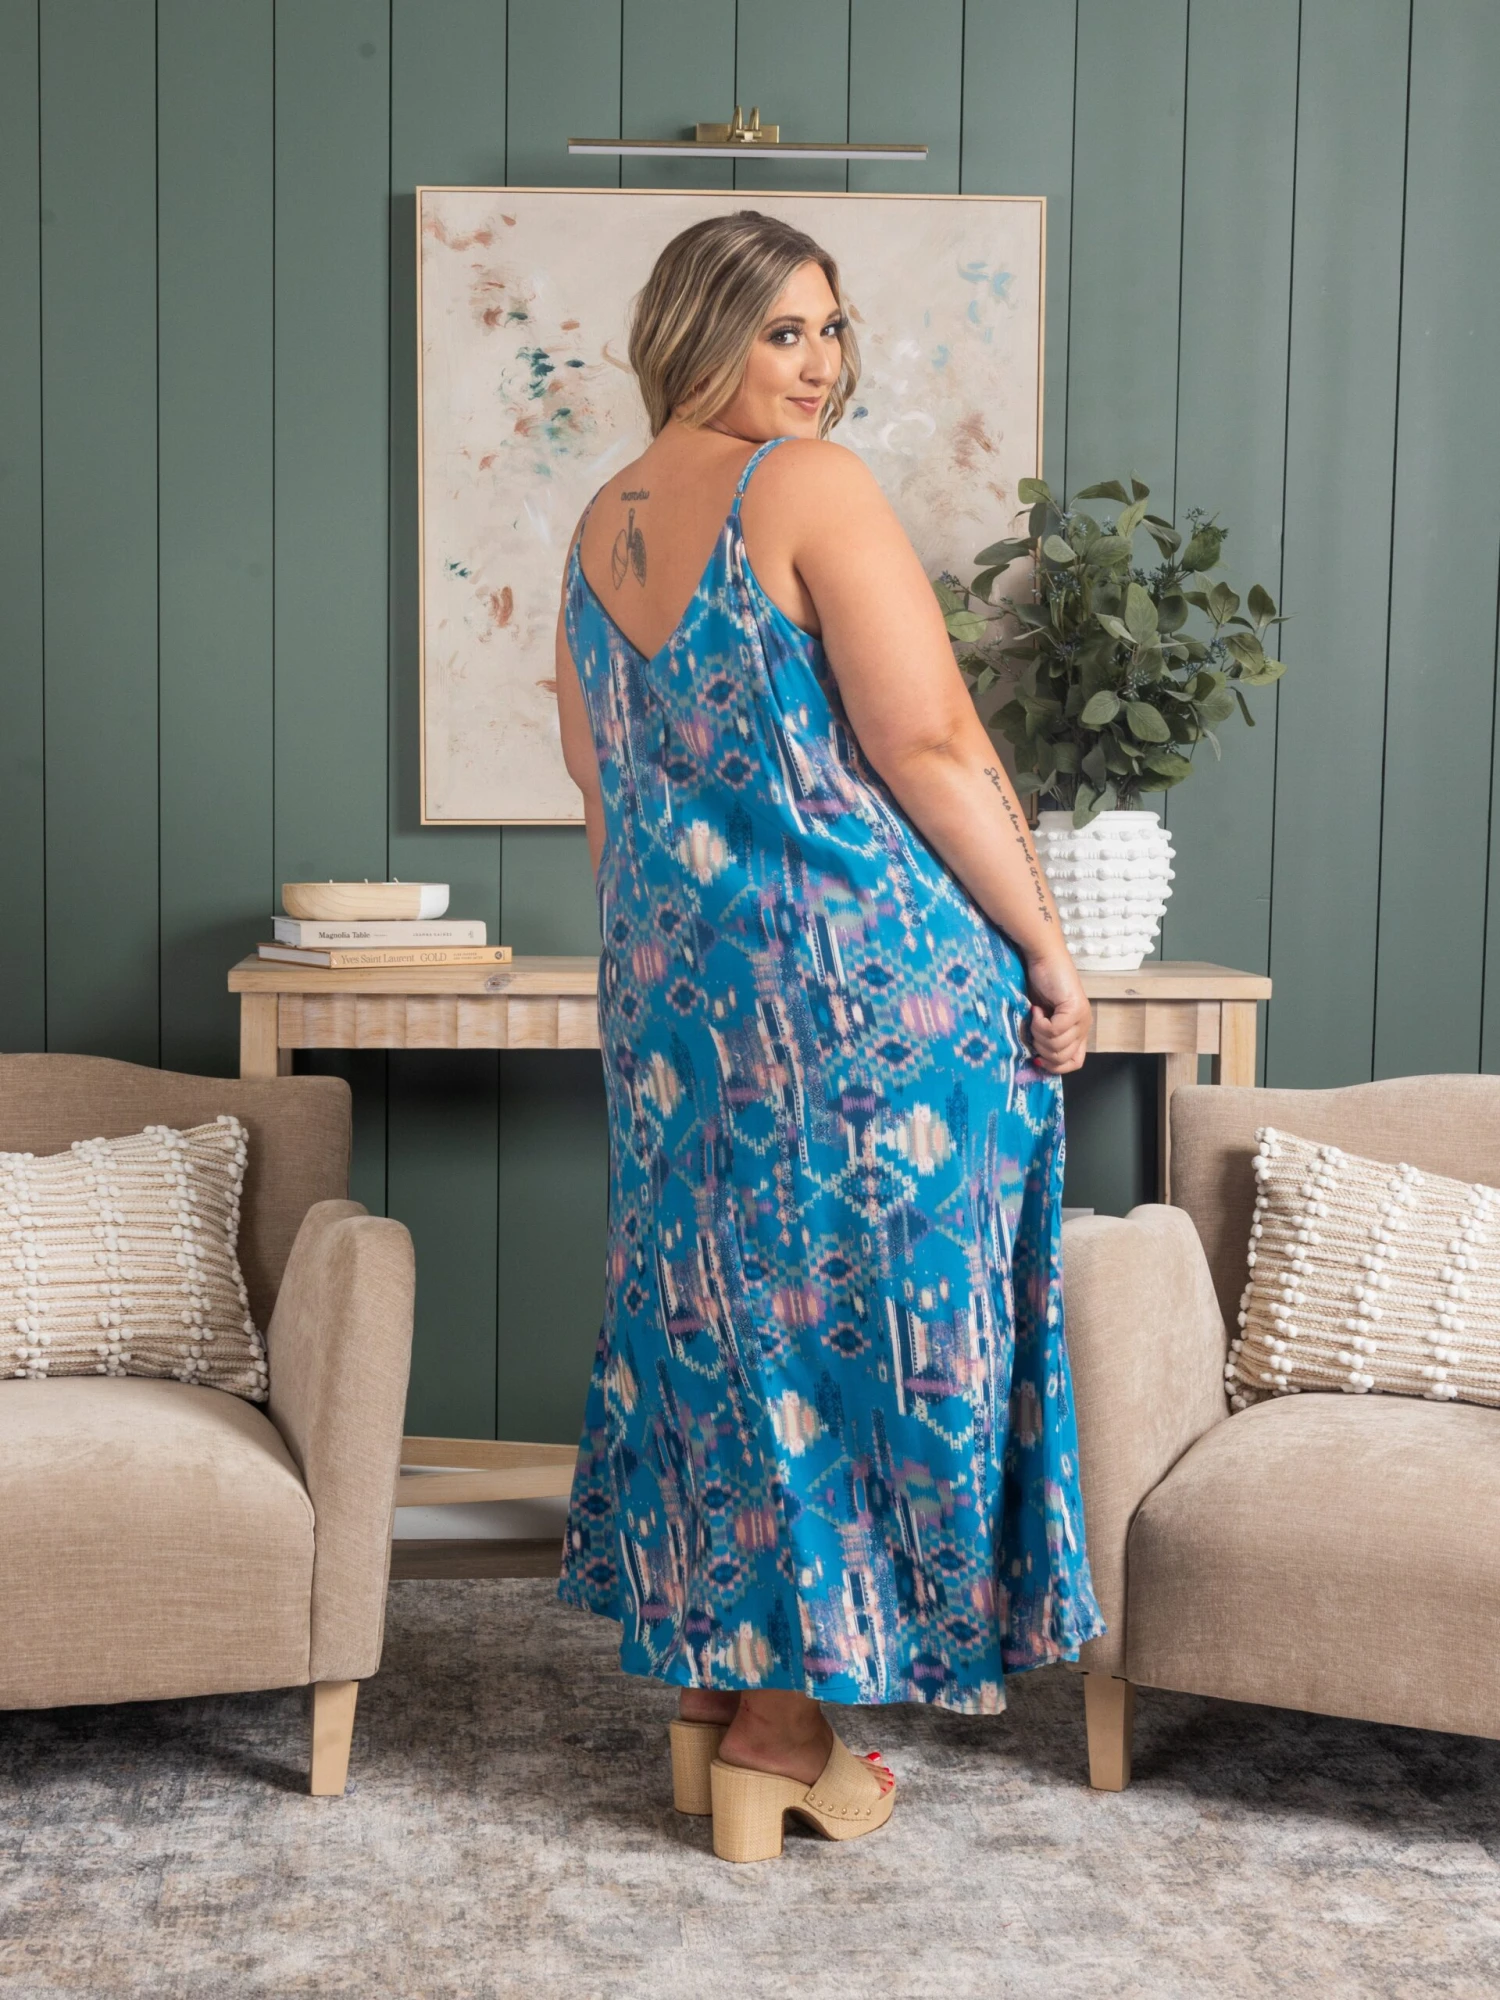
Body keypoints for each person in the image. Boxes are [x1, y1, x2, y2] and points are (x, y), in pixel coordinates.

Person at [552, 209, 1104, 1864]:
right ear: (696, 330)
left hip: (679, 1006)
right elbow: (928, 739)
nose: (820, 365)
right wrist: (1047, 945)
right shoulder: (807, 487)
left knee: (723, 1329)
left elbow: (604, 801)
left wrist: (673, 985)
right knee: (859, 1340)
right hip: (872, 999)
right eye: (783, 330)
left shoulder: (594, 530)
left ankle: (716, 1706)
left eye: (832, 329)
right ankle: (788, 1736)